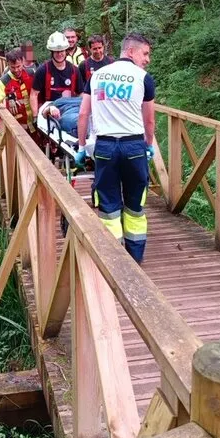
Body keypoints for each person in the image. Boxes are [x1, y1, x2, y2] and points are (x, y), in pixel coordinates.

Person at [76, 33, 155, 264]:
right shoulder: (143, 78)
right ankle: (135, 257)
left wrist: (81, 146)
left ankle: (113, 262)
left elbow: (83, 113)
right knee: (135, 204)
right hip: (134, 146)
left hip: (105, 147)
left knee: (108, 206)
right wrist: (149, 145)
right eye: (145, 53)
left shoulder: (97, 76)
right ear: (130, 51)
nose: (147, 59)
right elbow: (149, 120)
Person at [30, 32, 82, 121]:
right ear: (52, 52)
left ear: (66, 51)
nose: (59, 54)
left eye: (61, 51)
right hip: (47, 110)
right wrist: (35, 116)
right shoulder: (42, 70)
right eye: (56, 52)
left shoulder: (74, 70)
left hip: (69, 108)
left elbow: (81, 93)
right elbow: (34, 94)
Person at [0, 48, 36, 132]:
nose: (16, 70)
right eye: (12, 67)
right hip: (17, 126)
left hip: (35, 123)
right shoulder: (3, 81)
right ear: (8, 65)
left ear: (23, 62)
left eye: (18, 66)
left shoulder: (32, 74)